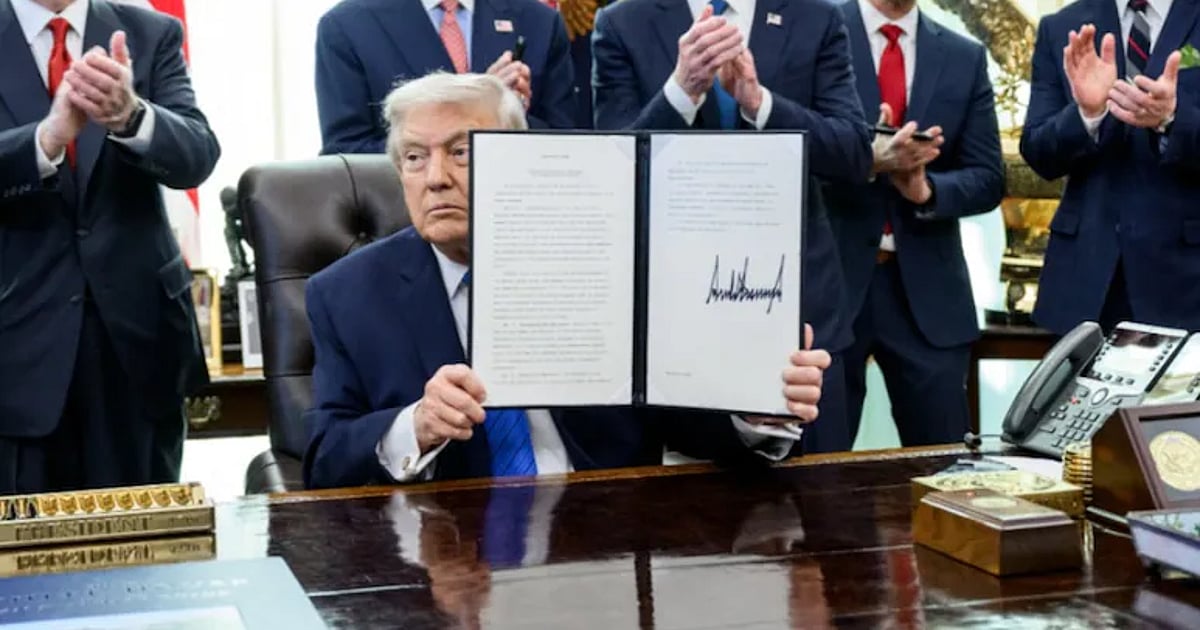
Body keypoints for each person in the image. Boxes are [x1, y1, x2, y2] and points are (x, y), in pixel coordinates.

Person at [302, 72, 831, 489]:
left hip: (603, 530)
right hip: (451, 546)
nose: (435, 178)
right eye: (415, 158)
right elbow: (324, 460)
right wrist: (416, 425)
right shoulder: (346, 294)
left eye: (461, 152)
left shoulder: (609, 259)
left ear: (520, 156)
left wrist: (756, 409)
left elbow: (676, 416)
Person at [590, 0, 873, 453]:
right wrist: (680, 92)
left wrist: (760, 104)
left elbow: (854, 152)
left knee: (820, 487)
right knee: (681, 490)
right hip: (676, 311)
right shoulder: (622, 21)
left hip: (800, 314)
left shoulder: (816, 16)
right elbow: (614, 173)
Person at [0, 0, 220, 494]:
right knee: (19, 540)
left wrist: (132, 117)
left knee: (145, 535)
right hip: (15, 348)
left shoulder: (151, 31)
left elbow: (197, 156)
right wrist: (45, 140)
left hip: (138, 346)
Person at [828, 0, 1003, 445]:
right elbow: (791, 148)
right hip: (832, 287)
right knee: (818, 470)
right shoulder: (820, 33)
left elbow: (988, 178)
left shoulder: (964, 56)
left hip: (928, 296)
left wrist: (926, 191)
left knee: (945, 465)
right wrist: (867, 161)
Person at [1021, 0, 1200, 335]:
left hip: (1185, 284)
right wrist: (1087, 115)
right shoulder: (1063, 27)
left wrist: (1172, 119)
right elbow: (1038, 152)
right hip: (1085, 283)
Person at [315, 0, 578, 155]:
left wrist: (509, 115)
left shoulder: (539, 21)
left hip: (511, 213)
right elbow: (346, 152)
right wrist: (477, 104)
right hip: (403, 218)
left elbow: (567, 147)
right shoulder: (347, 27)